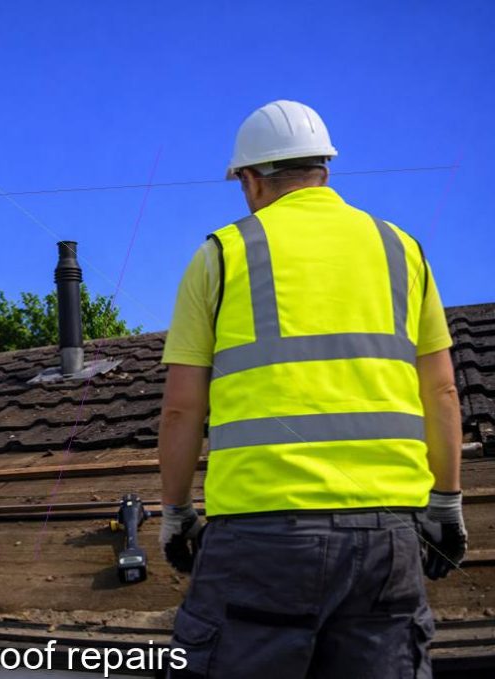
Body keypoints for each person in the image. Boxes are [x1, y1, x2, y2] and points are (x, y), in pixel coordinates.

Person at [157, 100, 466, 677]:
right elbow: (442, 393)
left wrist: (176, 512)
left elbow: (180, 409)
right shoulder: (402, 249)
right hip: (388, 536)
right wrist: (446, 503)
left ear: (250, 179)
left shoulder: (220, 254)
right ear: (324, 169)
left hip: (259, 536)